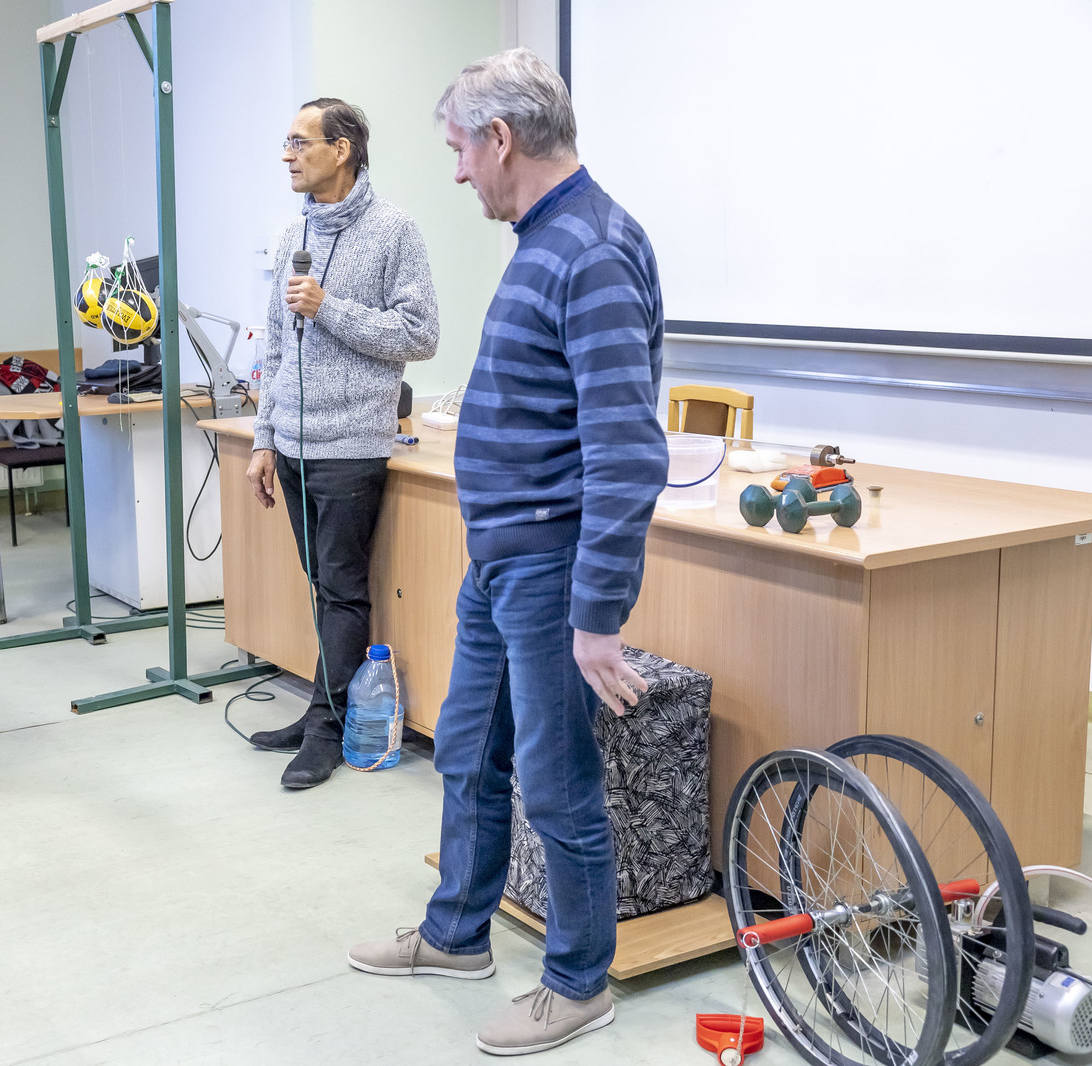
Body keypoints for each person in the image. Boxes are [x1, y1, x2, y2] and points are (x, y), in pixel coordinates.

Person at [347, 49, 668, 1056]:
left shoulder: (592, 250)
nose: (456, 172)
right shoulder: (543, 239)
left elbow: (626, 449)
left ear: (500, 139)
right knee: (468, 750)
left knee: (555, 779)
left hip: (549, 566)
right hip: (499, 560)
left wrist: (596, 616)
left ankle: (578, 981)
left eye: (459, 149)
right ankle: (456, 934)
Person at [245, 98, 440, 789]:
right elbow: (276, 347)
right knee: (322, 587)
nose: (287, 155)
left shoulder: (394, 231)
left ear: (343, 149)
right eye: (286, 142)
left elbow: (420, 335)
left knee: (344, 591)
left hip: (352, 445)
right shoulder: (291, 234)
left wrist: (330, 307)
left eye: (300, 142)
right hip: (292, 445)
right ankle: (319, 712)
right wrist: (264, 438)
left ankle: (327, 731)